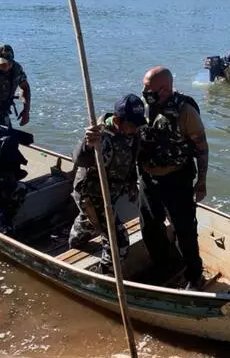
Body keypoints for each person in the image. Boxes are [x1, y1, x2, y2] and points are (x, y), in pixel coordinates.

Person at [138, 67, 209, 291]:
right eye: (144, 86)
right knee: (150, 226)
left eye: (148, 88)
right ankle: (165, 265)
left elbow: (202, 148)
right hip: (148, 178)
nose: (143, 91)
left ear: (165, 89)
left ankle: (194, 275)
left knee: (184, 229)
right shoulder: (143, 106)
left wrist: (201, 182)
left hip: (177, 178)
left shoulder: (185, 111)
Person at [68, 94, 147, 275]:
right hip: (91, 193)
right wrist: (88, 145)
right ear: (119, 120)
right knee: (118, 241)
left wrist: (131, 183)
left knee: (90, 222)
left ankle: (77, 237)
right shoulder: (99, 134)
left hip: (113, 190)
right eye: (132, 124)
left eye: (137, 124)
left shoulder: (133, 134)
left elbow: (130, 160)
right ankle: (106, 275)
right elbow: (78, 159)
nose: (135, 129)